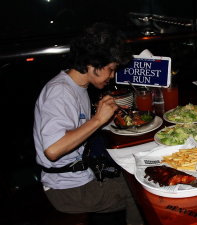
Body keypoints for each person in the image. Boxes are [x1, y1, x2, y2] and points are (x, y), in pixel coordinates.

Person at [33, 23, 143, 225]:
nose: (112, 76)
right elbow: (53, 149)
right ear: (92, 64)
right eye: (110, 69)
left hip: (80, 177)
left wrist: (103, 119)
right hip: (67, 191)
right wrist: (98, 120)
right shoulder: (60, 93)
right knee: (140, 191)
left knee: (136, 170)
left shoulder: (76, 86)